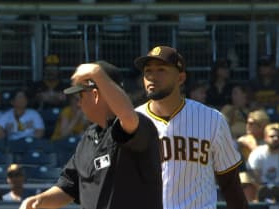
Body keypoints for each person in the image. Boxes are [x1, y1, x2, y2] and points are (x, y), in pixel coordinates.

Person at [19, 61, 163, 209]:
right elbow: (68, 188)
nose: (78, 103)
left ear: (95, 95)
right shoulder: (88, 138)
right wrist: (38, 201)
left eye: (80, 96)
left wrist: (96, 73)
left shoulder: (136, 125)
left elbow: (128, 116)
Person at [134, 45, 248, 209]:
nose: (152, 76)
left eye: (161, 70)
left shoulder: (212, 119)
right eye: (148, 71)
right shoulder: (133, 121)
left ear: (180, 78)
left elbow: (230, 183)